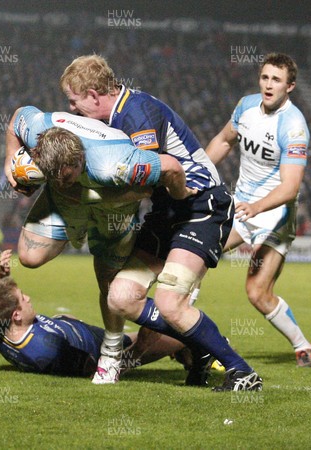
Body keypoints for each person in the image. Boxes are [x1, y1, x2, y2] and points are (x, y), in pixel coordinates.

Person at [60, 55, 262, 391]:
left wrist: (90, 200)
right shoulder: (112, 118)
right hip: (167, 212)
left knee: (170, 303)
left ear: (94, 95)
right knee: (120, 296)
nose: (72, 108)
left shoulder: (136, 114)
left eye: (74, 100)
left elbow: (145, 181)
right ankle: (197, 344)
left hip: (201, 207)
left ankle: (241, 371)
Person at [2, 106, 198, 381]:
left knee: (108, 283)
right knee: (29, 257)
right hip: (67, 206)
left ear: (79, 159)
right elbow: (17, 117)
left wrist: (183, 198)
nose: (64, 182)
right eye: (56, 178)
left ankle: (111, 354)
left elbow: (167, 172)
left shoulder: (114, 163)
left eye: (68, 176)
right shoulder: (37, 130)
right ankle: (77, 231)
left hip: (112, 210)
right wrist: (10, 157)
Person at [205, 53, 311, 367]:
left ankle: (303, 346)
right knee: (195, 256)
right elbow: (224, 141)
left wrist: (256, 207)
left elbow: (290, 187)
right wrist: (196, 170)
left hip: (274, 215)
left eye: (277, 80)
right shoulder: (245, 106)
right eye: (265, 77)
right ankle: (194, 340)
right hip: (243, 207)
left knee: (257, 292)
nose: (269, 85)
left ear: (290, 86)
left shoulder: (294, 126)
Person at [0, 250, 188, 376]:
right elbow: (96, 370)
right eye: (23, 298)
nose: (28, 298)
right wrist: (140, 347)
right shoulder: (47, 350)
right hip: (107, 348)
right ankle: (195, 358)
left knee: (174, 334)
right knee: (179, 334)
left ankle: (187, 355)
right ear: (16, 316)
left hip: (88, 335)